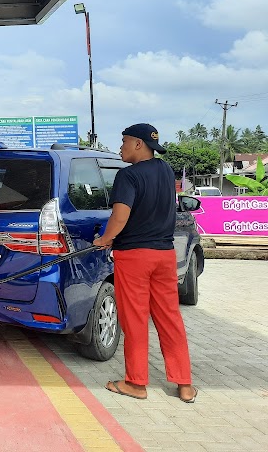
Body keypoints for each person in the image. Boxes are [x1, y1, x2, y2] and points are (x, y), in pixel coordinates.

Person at [93, 123, 197, 404]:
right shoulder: (165, 170)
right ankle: (184, 384)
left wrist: (104, 239)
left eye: (124, 141)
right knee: (170, 318)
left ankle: (136, 384)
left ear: (138, 144)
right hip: (164, 255)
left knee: (135, 320)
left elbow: (120, 216)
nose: (120, 147)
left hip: (135, 257)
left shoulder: (128, 176)